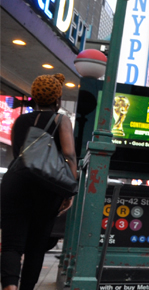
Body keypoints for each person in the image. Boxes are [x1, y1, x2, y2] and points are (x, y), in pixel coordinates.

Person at [1, 74, 78, 290]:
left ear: (34, 96)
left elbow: (18, 156)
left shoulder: (20, 120)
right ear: (58, 99)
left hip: (15, 184)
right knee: (36, 247)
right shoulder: (61, 120)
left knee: (11, 245)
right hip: (45, 189)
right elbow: (69, 156)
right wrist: (68, 190)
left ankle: (9, 287)